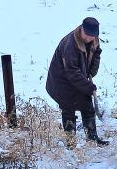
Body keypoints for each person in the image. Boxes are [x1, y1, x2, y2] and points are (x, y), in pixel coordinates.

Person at [45, 17, 108, 146]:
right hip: (60, 81)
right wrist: (89, 87)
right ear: (82, 29)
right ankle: (70, 143)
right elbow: (72, 72)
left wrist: (93, 64)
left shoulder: (94, 40)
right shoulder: (70, 44)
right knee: (68, 109)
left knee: (88, 108)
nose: (90, 38)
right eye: (88, 35)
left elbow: (93, 63)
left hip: (78, 79)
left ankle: (92, 140)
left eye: (93, 36)